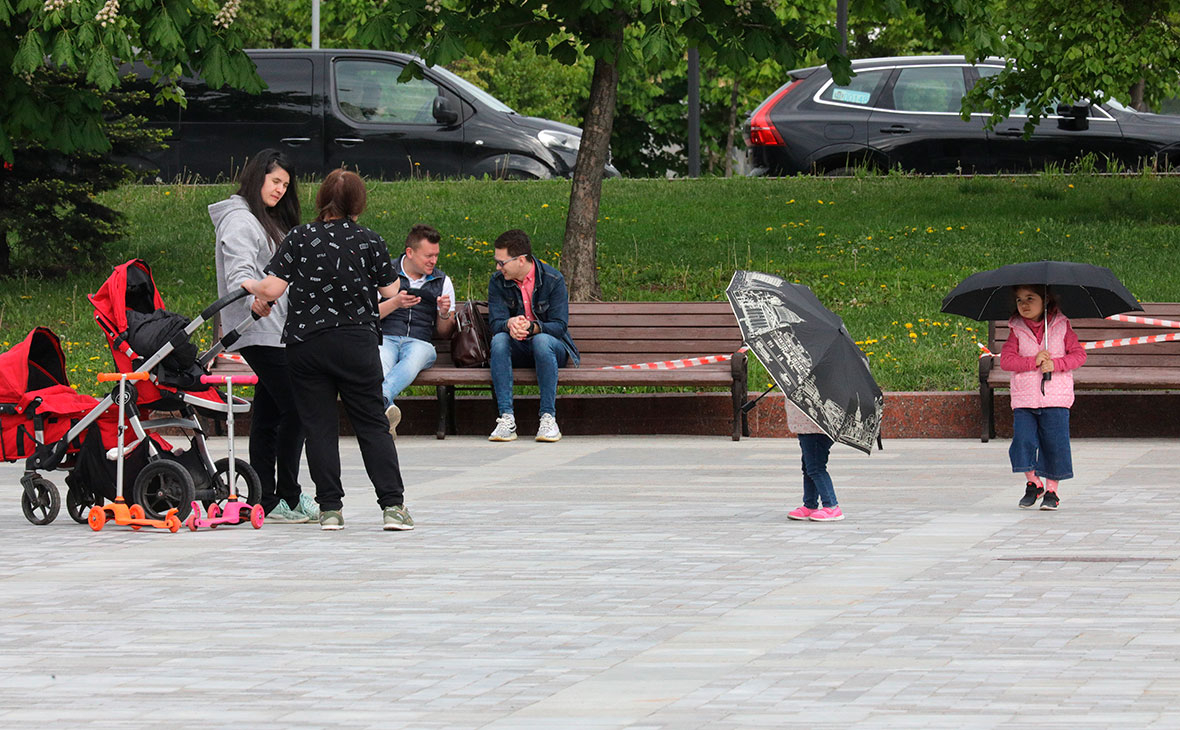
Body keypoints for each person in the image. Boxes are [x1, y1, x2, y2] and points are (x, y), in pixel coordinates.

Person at [241, 169, 413, 532]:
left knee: (319, 427)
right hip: (356, 344)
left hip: (308, 345)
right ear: (358, 203)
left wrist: (249, 284)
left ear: (321, 199)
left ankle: (330, 509)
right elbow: (389, 289)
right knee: (372, 425)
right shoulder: (369, 240)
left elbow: (271, 289)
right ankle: (393, 507)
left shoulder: (299, 237)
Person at [210, 148, 316, 524]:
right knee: (299, 409)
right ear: (258, 177)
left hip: (277, 330)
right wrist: (256, 294)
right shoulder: (240, 220)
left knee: (269, 416)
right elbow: (239, 269)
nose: (280, 190)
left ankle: (266, 498)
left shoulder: (263, 218)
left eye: (286, 185)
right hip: (259, 330)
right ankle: (286, 495)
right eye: (275, 181)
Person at [486, 229, 579, 443]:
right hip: (517, 346)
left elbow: (559, 326)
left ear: (520, 260)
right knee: (499, 339)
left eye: (501, 263)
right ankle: (506, 419)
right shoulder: (497, 282)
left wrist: (532, 328)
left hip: (550, 349)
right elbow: (495, 324)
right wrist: (510, 323)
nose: (498, 268)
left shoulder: (552, 279)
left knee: (542, 340)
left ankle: (548, 418)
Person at [1000, 284, 1087, 510]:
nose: (1024, 304)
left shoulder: (1061, 326)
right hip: (1024, 398)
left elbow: (1079, 355)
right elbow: (1007, 361)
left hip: (1056, 398)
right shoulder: (1016, 329)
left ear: (1045, 300)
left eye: (1030, 298)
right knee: (1022, 441)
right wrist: (1033, 361)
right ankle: (1033, 482)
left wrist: (1056, 364)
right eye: (1019, 300)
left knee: (1054, 444)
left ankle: (1051, 491)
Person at [377, 224, 456, 438]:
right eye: (428, 256)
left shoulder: (442, 281)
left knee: (413, 359)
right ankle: (385, 415)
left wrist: (444, 313)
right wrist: (395, 303)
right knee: (379, 361)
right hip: (386, 338)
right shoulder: (386, 274)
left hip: (420, 343)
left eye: (436, 255)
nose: (433, 261)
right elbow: (369, 316)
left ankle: (380, 399)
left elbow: (445, 332)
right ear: (410, 253)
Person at [785, 403, 844, 522]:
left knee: (816, 468)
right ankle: (810, 504)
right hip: (803, 426)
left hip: (816, 428)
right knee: (808, 468)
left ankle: (832, 505)